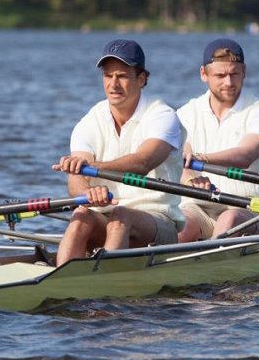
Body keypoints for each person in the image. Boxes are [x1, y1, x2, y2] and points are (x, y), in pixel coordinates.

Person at [52, 39, 184, 266]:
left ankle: (105, 287)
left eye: (122, 76)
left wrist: (94, 168)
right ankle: (59, 281)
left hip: (158, 221)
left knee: (121, 216)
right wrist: (87, 193)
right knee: (81, 213)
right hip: (107, 216)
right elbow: (77, 176)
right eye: (108, 76)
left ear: (141, 79)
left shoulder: (162, 116)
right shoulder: (90, 120)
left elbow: (143, 163)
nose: (113, 84)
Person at [177, 38, 259, 242]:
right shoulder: (186, 114)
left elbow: (245, 155)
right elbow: (179, 159)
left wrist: (201, 158)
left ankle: (208, 264)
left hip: (248, 208)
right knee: (182, 225)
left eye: (234, 74)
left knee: (229, 218)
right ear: (203, 74)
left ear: (244, 72)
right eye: (220, 75)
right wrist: (190, 179)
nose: (229, 83)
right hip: (198, 207)